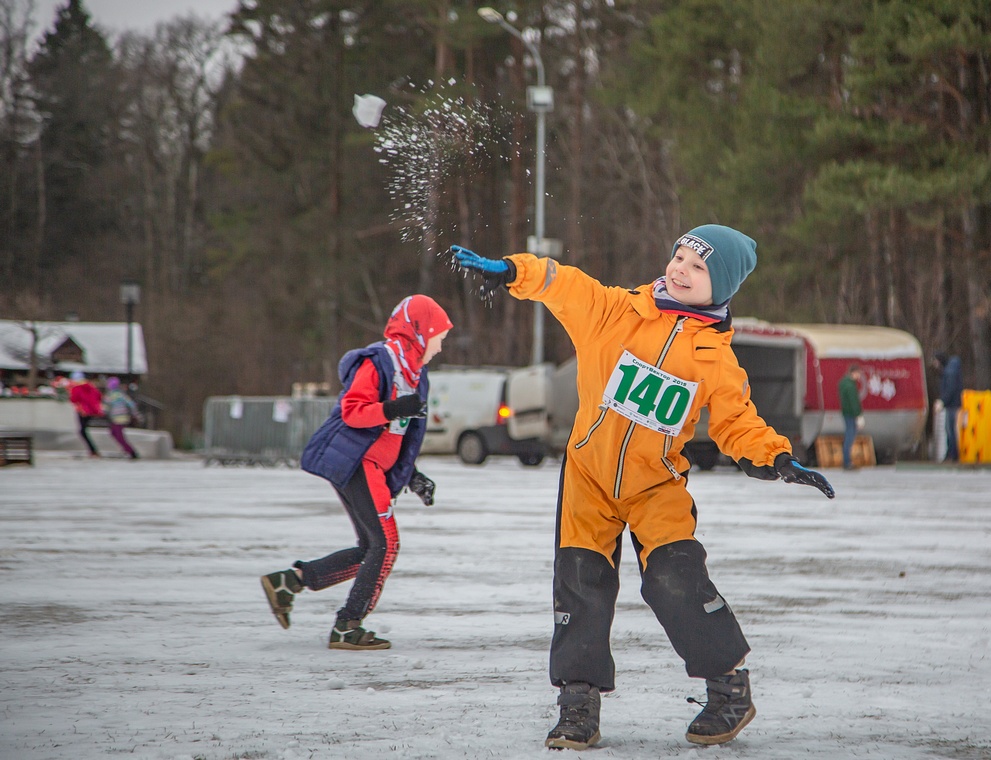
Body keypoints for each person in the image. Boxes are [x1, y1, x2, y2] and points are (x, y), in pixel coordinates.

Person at [451, 225, 834, 749]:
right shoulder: (615, 311)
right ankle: (578, 704)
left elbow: (736, 421)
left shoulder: (713, 358)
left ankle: (729, 691)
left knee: (675, 581)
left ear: (719, 286)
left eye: (697, 267)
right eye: (679, 256)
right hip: (589, 476)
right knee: (581, 586)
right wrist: (514, 270)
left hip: (656, 484)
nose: (680, 268)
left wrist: (777, 457)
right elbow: (564, 283)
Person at [259, 295, 452, 650]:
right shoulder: (381, 361)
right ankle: (348, 626)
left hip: (374, 467)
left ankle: (291, 581)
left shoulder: (414, 373)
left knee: (370, 548)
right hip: (358, 463)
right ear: (419, 332)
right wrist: (394, 407)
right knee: (386, 545)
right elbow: (354, 412)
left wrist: (413, 476)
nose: (440, 347)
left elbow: (398, 434)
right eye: (438, 337)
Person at [933, 353, 962, 462]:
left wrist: (942, 401)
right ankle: (951, 454)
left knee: (950, 430)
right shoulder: (950, 371)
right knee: (950, 429)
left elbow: (950, 390)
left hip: (952, 405)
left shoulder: (949, 372)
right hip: (953, 404)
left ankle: (952, 455)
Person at [103, 377, 139, 459]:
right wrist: (134, 413)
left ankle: (130, 451)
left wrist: (102, 411)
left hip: (117, 418)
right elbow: (131, 404)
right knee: (115, 433)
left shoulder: (110, 396)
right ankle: (127, 449)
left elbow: (105, 407)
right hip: (123, 417)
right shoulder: (121, 394)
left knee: (118, 435)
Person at [68, 371, 103, 457]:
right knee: (83, 430)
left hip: (82, 411)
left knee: (82, 431)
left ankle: (93, 450)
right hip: (92, 411)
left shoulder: (76, 388)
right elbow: (99, 396)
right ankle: (93, 450)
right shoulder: (91, 386)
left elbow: (73, 399)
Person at [838, 364, 864, 470]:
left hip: (845, 412)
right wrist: (858, 414)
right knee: (850, 436)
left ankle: (846, 460)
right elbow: (854, 402)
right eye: (858, 373)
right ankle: (847, 461)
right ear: (854, 372)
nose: (859, 376)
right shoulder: (850, 386)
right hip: (851, 414)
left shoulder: (843, 383)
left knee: (848, 435)